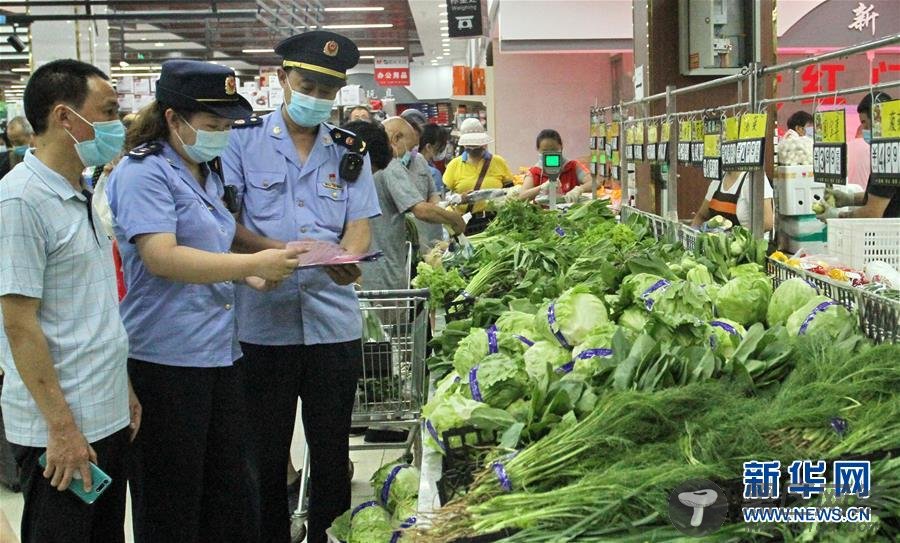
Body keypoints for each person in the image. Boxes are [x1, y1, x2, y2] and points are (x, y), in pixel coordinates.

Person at [107, 60, 301, 543]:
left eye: (228, 126)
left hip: (219, 353)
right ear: (174, 119)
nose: (223, 135)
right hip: (166, 361)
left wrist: (264, 258)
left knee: (228, 497)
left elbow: (218, 236)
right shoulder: (143, 173)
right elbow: (162, 257)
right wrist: (251, 267)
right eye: (213, 126)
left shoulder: (203, 171)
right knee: (173, 503)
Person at [220, 31, 382, 543]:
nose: (316, 97)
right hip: (262, 323)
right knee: (264, 451)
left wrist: (349, 256)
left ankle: (326, 535)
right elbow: (226, 220)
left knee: (332, 447)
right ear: (283, 80)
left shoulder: (349, 150)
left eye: (327, 90)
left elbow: (360, 222)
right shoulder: (241, 141)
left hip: (333, 322)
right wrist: (272, 253)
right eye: (307, 83)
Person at [0, 58, 139, 543]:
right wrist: (61, 430)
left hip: (104, 414)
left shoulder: (78, 191)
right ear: (65, 117)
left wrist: (122, 385)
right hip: (61, 431)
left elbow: (91, 306)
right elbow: (19, 324)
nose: (117, 124)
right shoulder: (21, 201)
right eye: (108, 111)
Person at [358, 119, 464, 290]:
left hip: (361, 266)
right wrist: (454, 219)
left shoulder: (361, 163)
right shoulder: (390, 165)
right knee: (387, 313)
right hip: (381, 268)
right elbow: (421, 210)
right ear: (395, 138)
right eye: (413, 146)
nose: (414, 152)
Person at [820, 92, 898, 219]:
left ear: (877, 119)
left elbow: (873, 212)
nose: (864, 128)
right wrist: (849, 199)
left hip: (889, 235)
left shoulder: (886, 158)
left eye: (865, 123)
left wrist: (837, 216)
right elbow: (880, 197)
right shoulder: (891, 150)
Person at [443, 117, 514, 234]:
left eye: (477, 144)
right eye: (470, 144)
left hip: (496, 221)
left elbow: (511, 192)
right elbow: (445, 199)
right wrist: (459, 198)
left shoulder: (498, 162)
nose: (473, 148)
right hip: (466, 223)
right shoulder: (454, 165)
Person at [518, 129, 592, 203]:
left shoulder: (572, 166)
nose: (550, 154)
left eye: (553, 150)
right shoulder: (535, 172)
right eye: (545, 151)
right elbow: (522, 196)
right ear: (538, 150)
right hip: (544, 213)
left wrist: (579, 189)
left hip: (570, 211)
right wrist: (541, 188)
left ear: (561, 147)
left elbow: (595, 182)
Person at [691, 170, 775, 231]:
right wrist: (694, 233)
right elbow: (701, 216)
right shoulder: (718, 179)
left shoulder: (752, 178)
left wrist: (736, 238)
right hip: (717, 250)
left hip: (746, 250)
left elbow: (767, 223)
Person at [420, 123, 449, 195]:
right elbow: (438, 203)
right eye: (440, 148)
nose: (441, 152)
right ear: (428, 147)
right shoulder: (433, 173)